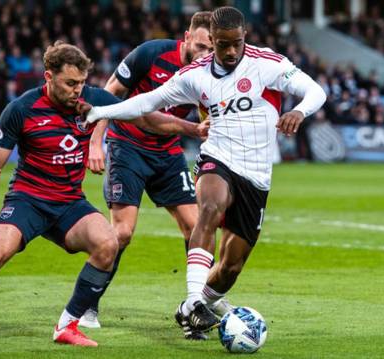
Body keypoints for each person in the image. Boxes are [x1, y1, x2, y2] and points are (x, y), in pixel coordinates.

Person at [0, 40, 206, 351]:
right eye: (70, 83)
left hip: (68, 202)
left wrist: (192, 129)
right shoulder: (22, 109)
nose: (77, 90)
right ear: (48, 77)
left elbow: (144, 117)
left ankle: (67, 324)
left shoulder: (92, 99)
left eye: (81, 82)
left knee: (109, 243)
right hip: (28, 199)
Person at [82, 6, 326, 337]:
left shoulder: (267, 63)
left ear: (244, 38)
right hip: (216, 157)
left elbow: (316, 91)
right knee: (208, 210)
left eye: (235, 43)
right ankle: (195, 301)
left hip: (256, 173)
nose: (228, 51)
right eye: (221, 44)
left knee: (231, 267)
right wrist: (101, 112)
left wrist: (299, 110)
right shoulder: (194, 74)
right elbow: (146, 102)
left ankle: (196, 305)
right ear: (211, 39)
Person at [83, 12, 230, 337]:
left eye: (212, 49)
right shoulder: (150, 54)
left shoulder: (209, 72)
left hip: (167, 153)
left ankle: (196, 310)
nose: (206, 55)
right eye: (202, 46)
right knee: (122, 233)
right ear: (187, 36)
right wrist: (97, 142)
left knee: (197, 226)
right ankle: (88, 302)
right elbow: (110, 93)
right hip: (128, 147)